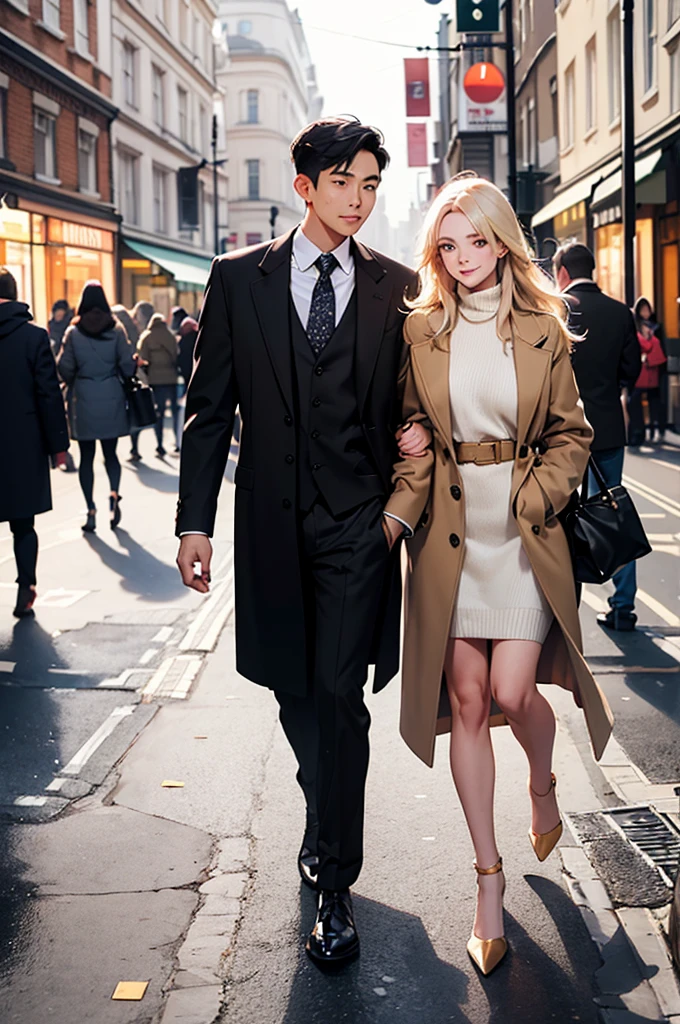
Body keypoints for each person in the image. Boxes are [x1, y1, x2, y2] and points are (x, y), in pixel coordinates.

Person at [175, 117, 429, 966]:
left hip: (360, 528)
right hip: (273, 528)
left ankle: (333, 880)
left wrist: (403, 489)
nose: (358, 200)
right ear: (306, 185)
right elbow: (210, 410)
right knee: (295, 692)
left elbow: (413, 406)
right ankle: (324, 800)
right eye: (345, 183)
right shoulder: (238, 279)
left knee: (340, 698)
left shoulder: (398, 287)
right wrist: (195, 522)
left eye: (370, 187)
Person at [383, 175, 614, 976]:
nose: (463, 257)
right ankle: (487, 879)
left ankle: (543, 782)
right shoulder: (421, 329)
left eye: (477, 240)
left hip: (521, 533)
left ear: (503, 242)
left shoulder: (544, 329)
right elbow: (412, 413)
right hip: (449, 537)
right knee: (471, 702)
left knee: (518, 695)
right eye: (448, 245)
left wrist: (537, 493)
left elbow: (573, 436)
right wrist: (410, 435)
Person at [553, 242, 642, 632]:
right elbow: (631, 370)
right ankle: (622, 605)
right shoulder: (620, 312)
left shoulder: (558, 309)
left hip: (560, 431)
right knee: (612, 511)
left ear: (563, 272)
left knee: (559, 514)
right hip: (606, 427)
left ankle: (561, 600)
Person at [0, 268, 69, 617]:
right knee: (23, 524)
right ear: (14, 294)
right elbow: (48, 394)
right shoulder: (33, 337)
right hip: (22, 443)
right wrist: (59, 445)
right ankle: (25, 588)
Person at [58, 281, 135, 533]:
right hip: (111, 396)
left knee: (87, 457)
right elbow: (126, 366)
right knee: (111, 455)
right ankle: (114, 496)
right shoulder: (116, 330)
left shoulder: (74, 333)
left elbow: (65, 369)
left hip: (84, 399)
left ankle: (90, 508)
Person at [137, 312, 181, 456]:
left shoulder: (146, 336)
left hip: (155, 379)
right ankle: (178, 442)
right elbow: (176, 354)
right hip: (171, 378)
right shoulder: (170, 335)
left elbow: (142, 358)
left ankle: (160, 444)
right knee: (174, 411)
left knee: (159, 413)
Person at [629, 297, 667, 445]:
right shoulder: (635, 326)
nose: (646, 312)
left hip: (655, 369)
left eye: (647, 309)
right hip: (641, 370)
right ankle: (640, 431)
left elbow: (660, 347)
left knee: (655, 401)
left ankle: (657, 429)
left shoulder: (656, 327)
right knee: (636, 400)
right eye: (643, 309)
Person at [177, 315, 198, 394]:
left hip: (186, 370)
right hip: (198, 368)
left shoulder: (182, 341)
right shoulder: (199, 338)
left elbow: (179, 356)